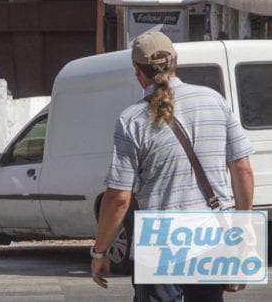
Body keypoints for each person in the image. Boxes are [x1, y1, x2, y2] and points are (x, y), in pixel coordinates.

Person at [90, 31, 254, 298]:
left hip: (159, 240)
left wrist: (99, 251)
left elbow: (119, 197)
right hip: (211, 235)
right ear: (176, 62)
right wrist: (244, 223)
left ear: (136, 70)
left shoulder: (131, 120)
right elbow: (242, 169)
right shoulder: (214, 101)